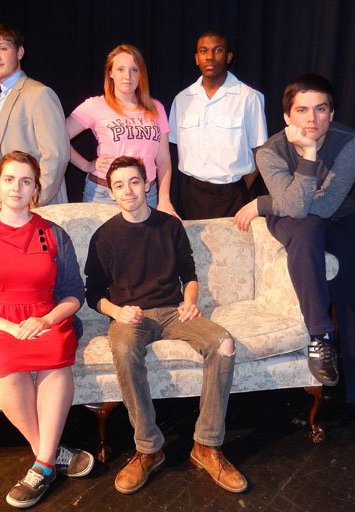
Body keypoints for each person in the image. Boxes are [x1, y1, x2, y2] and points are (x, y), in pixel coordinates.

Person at [233, 74, 355, 441]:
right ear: (287, 117)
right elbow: (297, 211)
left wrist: (262, 201)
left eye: (320, 109)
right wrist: (291, 186)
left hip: (340, 218)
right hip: (293, 222)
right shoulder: (270, 151)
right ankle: (320, 336)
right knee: (306, 230)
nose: (311, 119)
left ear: (331, 114)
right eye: (302, 110)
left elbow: (327, 203)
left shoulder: (349, 141)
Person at [84, 156, 246, 495]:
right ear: (111, 193)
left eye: (133, 182)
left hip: (174, 311)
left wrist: (190, 301)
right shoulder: (104, 236)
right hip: (132, 316)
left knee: (224, 343)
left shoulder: (170, 226)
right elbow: (93, 292)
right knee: (125, 348)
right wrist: (117, 312)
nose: (127, 190)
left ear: (146, 184)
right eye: (119, 185)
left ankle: (207, 445)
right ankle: (148, 448)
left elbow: (189, 272)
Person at [0, 151, 95, 508]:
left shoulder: (53, 233)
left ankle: (41, 467)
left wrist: (45, 321)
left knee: (56, 359)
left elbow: (74, 294)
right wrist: (6, 326)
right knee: (10, 369)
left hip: (44, 317)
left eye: (26, 181)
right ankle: (50, 456)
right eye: (10, 179)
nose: (17, 187)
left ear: (36, 189)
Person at [66, 44, 178, 217]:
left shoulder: (156, 108)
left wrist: (164, 198)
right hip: (105, 194)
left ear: (141, 74)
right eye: (120, 69)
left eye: (134, 69)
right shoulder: (95, 105)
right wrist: (86, 165)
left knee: (145, 244)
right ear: (110, 73)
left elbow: (163, 159)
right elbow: (57, 138)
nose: (128, 76)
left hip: (147, 194)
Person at [169, 30, 268, 220]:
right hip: (189, 194)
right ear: (196, 58)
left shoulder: (248, 98)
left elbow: (261, 150)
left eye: (218, 50)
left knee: (232, 249)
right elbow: (173, 146)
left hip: (232, 195)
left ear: (229, 57)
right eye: (204, 51)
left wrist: (241, 188)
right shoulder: (182, 99)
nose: (210, 57)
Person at [0, 23, 69, 214]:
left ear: (19, 52)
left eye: (3, 48)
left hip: (28, 207)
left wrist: (32, 201)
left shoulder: (39, 94)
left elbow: (56, 156)